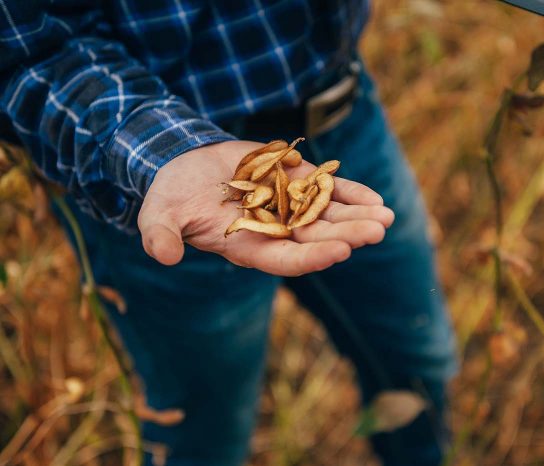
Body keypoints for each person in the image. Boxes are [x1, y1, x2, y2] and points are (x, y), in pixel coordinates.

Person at [0, 1, 458, 465]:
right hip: (152, 166)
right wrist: (164, 151)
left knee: (418, 360)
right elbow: (29, 51)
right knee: (204, 436)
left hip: (342, 108)